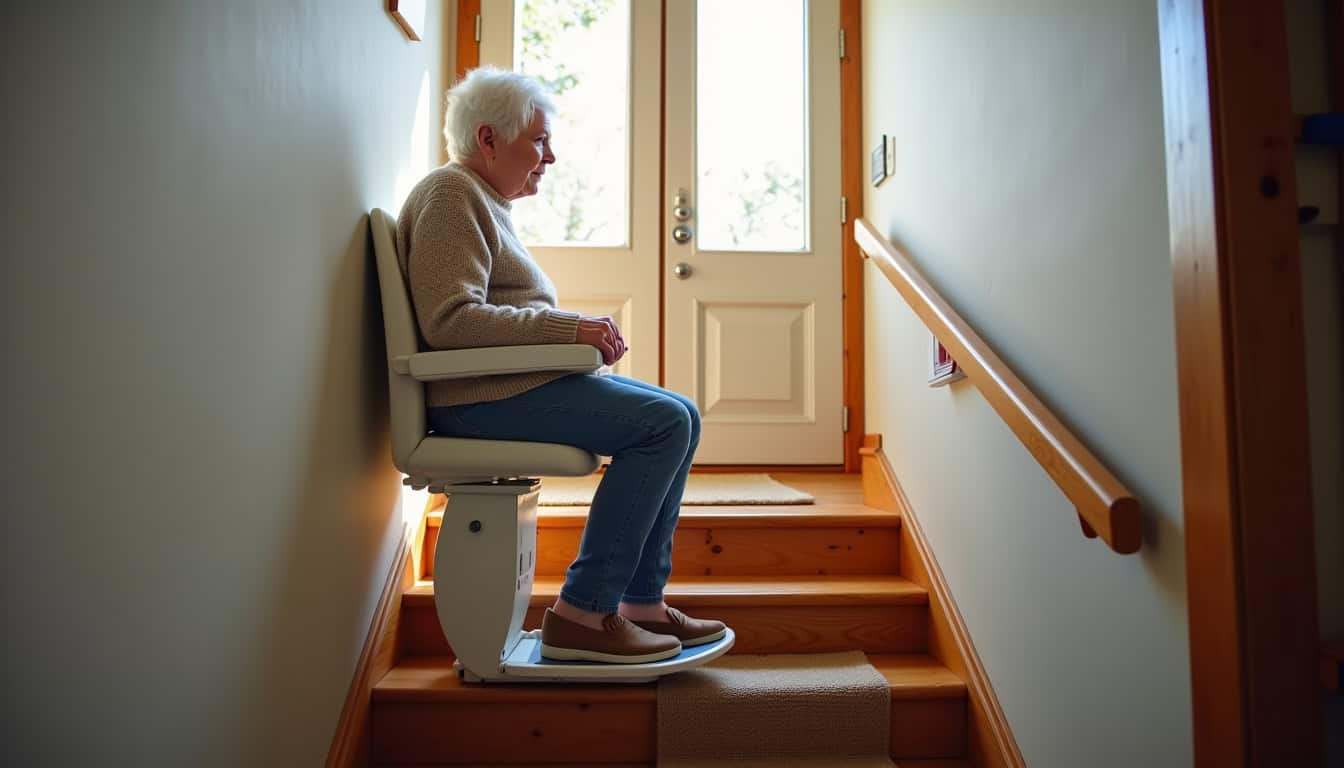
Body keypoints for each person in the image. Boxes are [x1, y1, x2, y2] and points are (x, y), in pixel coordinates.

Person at [396, 67, 726, 664]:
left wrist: (566, 333)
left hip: (504, 388)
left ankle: (640, 602)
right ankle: (584, 610)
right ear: (490, 139)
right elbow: (450, 321)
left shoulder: (482, 200)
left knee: (682, 414)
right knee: (665, 424)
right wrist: (567, 327)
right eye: (539, 140)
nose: (550, 156)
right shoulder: (451, 195)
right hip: (478, 399)